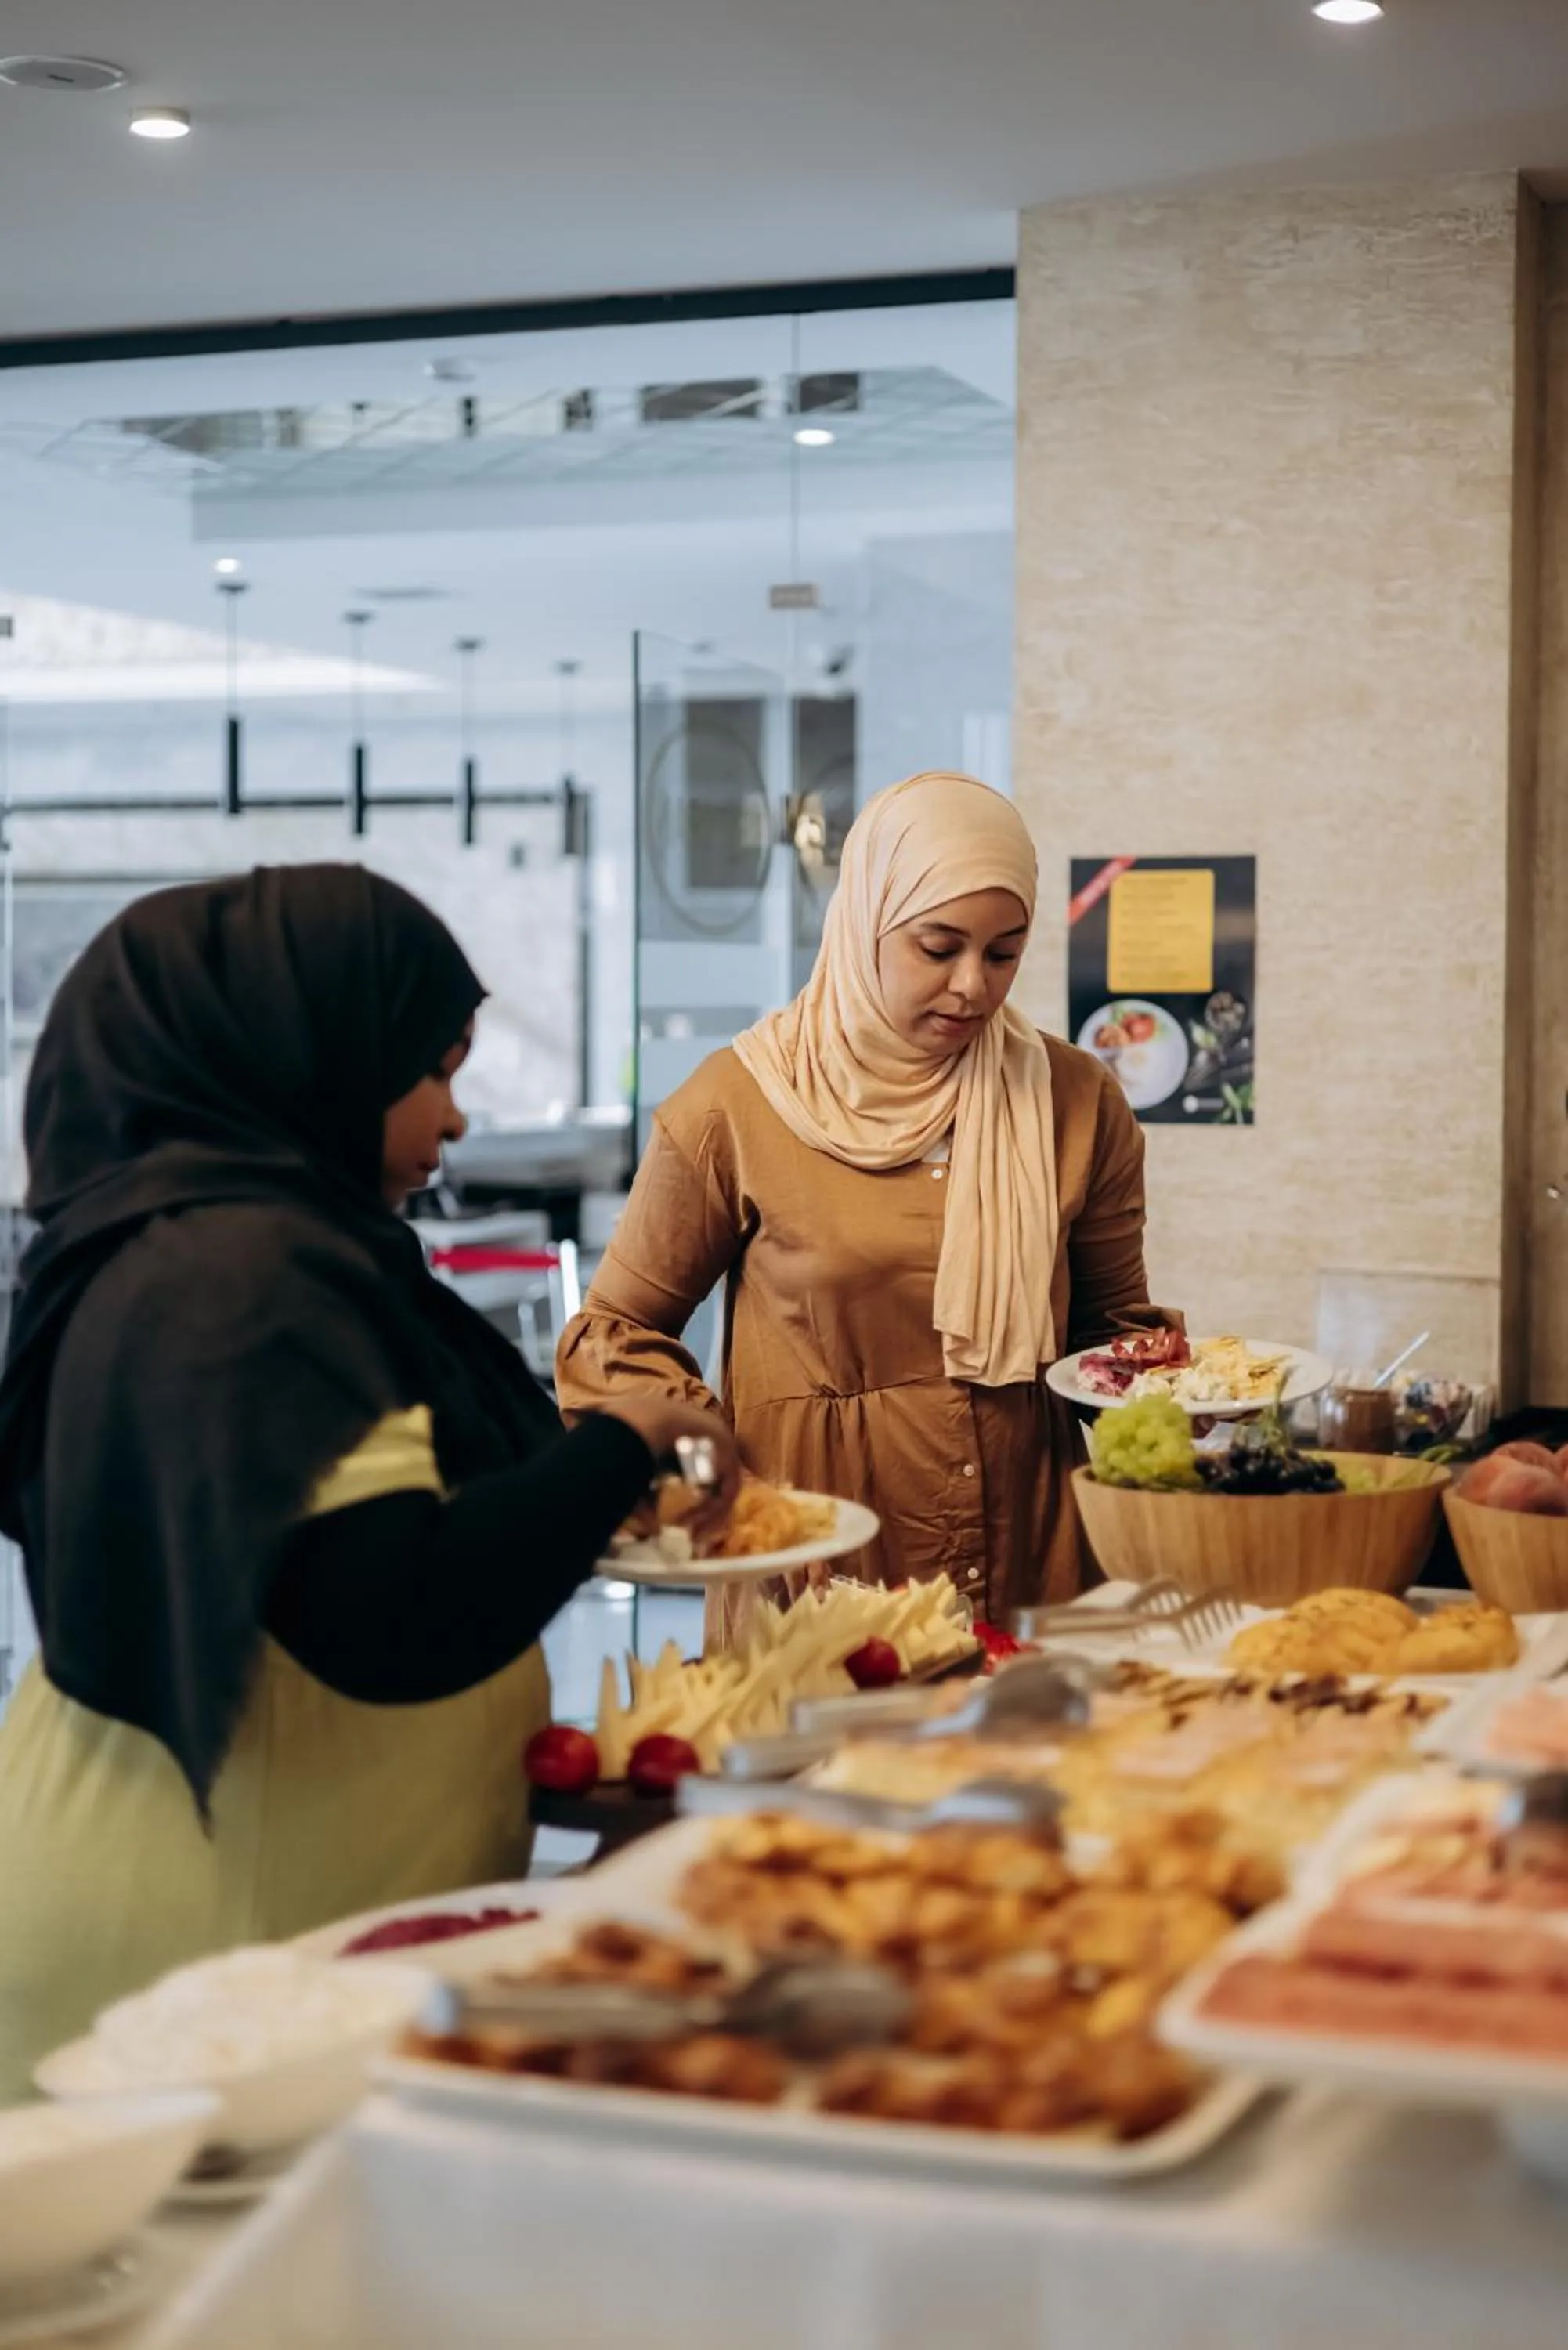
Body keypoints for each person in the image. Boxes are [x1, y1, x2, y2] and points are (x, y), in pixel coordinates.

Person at [0, 865, 735, 2099]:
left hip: (276, 1923)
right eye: (433, 1069)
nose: (453, 1119)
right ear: (307, 1054)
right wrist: (633, 1436)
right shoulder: (234, 1285)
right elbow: (392, 1612)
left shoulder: (248, 1252)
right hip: (207, 1943)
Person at [557, 771, 1175, 1630]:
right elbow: (614, 1335)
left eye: (1003, 953)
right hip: (816, 1564)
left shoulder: (1073, 1098)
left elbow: (1110, 1339)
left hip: (1031, 1559)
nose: (971, 986)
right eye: (937, 946)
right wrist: (710, 1464)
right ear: (864, 922)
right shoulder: (737, 1103)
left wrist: (1187, 1402)